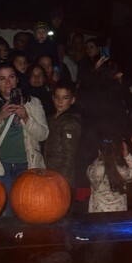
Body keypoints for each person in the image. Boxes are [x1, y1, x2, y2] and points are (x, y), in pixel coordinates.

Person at [0, 61, 49, 215]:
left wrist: (26, 118)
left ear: (17, 79)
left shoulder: (33, 103)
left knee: (28, 211)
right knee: (4, 213)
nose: (8, 82)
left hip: (28, 165)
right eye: (2, 78)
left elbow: (43, 134)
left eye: (11, 77)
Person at [44, 81, 83, 212]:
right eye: (57, 97)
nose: (60, 101)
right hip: (51, 174)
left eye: (65, 98)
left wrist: (62, 182)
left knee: (61, 213)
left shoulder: (69, 122)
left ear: (72, 100)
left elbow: (69, 155)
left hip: (62, 178)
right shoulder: (51, 119)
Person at [86, 138, 132, 212]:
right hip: (118, 213)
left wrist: (99, 158)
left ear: (99, 151)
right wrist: (127, 155)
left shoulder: (93, 169)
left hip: (98, 212)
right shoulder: (121, 170)